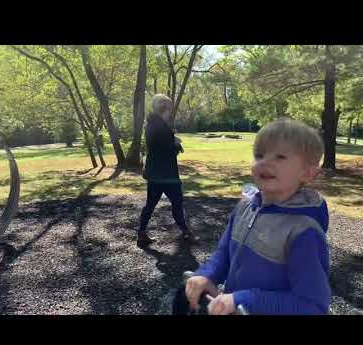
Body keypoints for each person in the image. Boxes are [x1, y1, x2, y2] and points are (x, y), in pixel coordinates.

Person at [174, 118, 330, 315]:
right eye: (259, 155)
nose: (264, 162)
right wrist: (206, 275)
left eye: (280, 156)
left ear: (307, 173)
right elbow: (224, 255)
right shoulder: (245, 207)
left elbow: (312, 305)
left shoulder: (303, 231)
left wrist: (243, 299)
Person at [138, 94, 196, 246]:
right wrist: (176, 143)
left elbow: (160, 146)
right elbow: (166, 150)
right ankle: (185, 232)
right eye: (169, 109)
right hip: (166, 174)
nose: (170, 112)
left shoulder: (152, 124)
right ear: (165, 109)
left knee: (151, 205)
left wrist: (173, 140)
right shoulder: (159, 126)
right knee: (177, 202)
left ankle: (141, 233)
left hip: (155, 174)